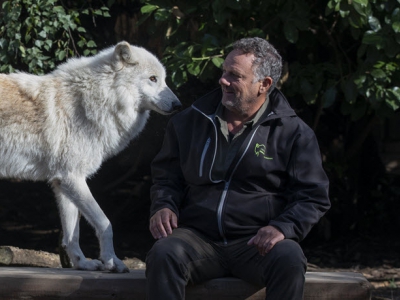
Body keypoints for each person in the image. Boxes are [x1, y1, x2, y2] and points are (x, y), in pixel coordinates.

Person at [145, 37, 330, 300]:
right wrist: (163, 205)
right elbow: (166, 177)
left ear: (263, 85)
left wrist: (282, 228)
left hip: (256, 244)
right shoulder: (189, 121)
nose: (223, 80)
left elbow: (313, 196)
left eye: (235, 75)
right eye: (223, 72)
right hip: (197, 239)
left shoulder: (293, 133)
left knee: (289, 256)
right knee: (164, 253)